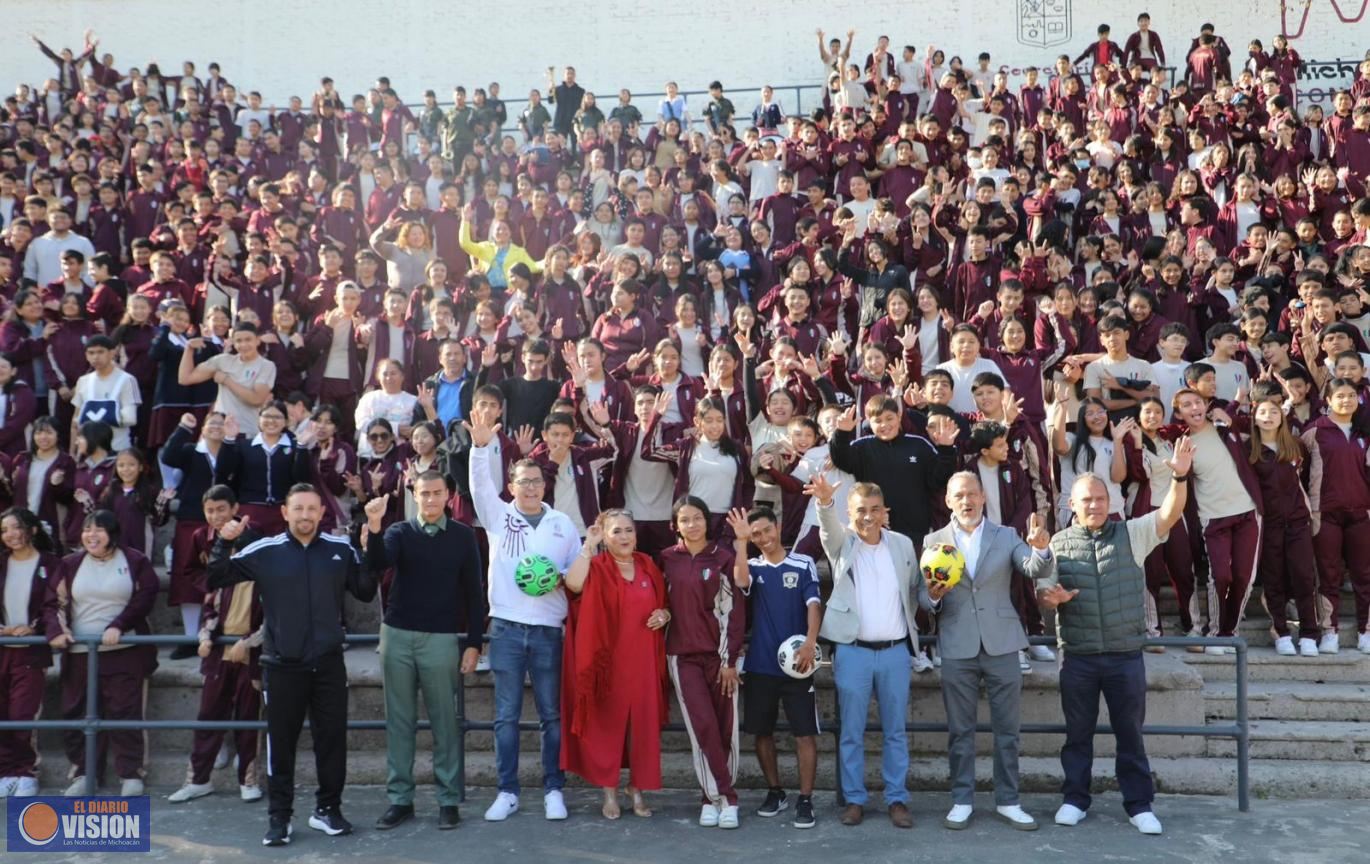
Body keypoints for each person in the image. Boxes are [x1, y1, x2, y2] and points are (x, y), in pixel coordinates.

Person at [1036, 436, 1196, 836]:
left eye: (1100, 499)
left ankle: (1139, 805)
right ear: (1071, 505)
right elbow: (1044, 594)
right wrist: (1052, 599)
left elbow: (1170, 514)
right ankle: (1075, 799)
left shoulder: (1131, 534)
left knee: (1130, 735)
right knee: (1077, 736)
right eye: (1086, 500)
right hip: (1078, 656)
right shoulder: (1058, 543)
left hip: (1125, 655)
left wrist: (1179, 478)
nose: (1094, 505)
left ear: (1110, 502)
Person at [208, 483, 377, 847]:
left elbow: (365, 591)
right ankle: (280, 818)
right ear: (285, 512)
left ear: (322, 513)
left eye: (312, 509)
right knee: (281, 747)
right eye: (298, 508)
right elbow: (216, 577)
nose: (305, 515)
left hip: (329, 665)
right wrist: (224, 541)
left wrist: (369, 549)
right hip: (282, 666)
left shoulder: (339, 549)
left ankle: (328, 810)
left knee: (332, 742)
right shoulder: (265, 550)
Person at [465, 411, 580, 823]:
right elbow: (479, 486)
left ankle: (554, 789)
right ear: (511, 486)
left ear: (545, 485)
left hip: (549, 630)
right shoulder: (498, 517)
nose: (530, 487)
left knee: (552, 715)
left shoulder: (563, 524)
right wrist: (480, 448)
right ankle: (507, 791)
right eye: (522, 482)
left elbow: (577, 573)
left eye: (536, 481)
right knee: (506, 716)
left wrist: (562, 579)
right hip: (507, 629)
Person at [921, 472, 1053, 830]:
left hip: (1003, 643)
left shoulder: (1006, 535)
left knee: (1007, 730)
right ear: (948, 501)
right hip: (957, 643)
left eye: (972, 494)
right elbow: (923, 596)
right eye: (959, 495)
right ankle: (962, 800)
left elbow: (1033, 567)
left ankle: (1008, 801)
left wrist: (1041, 548)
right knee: (960, 731)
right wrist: (933, 596)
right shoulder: (933, 541)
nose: (966, 501)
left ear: (982, 497)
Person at [365, 473, 486, 831]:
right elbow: (377, 563)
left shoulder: (463, 536)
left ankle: (448, 800)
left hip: (441, 637)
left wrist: (474, 643)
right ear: (414, 496)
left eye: (437, 493)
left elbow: (474, 592)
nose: (431, 499)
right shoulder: (399, 532)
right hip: (397, 634)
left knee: (445, 722)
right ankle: (400, 799)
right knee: (399, 721)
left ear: (448, 495)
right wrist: (374, 525)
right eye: (424, 493)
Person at [805, 472, 921, 829]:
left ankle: (896, 799)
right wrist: (825, 502)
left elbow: (914, 589)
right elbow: (828, 529)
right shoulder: (843, 543)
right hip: (853, 652)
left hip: (895, 652)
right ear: (849, 513)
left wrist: (935, 595)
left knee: (896, 731)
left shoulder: (903, 544)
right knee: (851, 732)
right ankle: (854, 800)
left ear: (885, 511)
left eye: (874, 509)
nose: (867, 516)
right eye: (860, 510)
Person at [561, 509, 669, 820]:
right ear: (605, 537)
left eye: (628, 530)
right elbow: (573, 585)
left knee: (643, 727)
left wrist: (664, 614)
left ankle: (637, 788)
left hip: (644, 660)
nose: (624, 536)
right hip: (608, 663)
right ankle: (609, 791)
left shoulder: (648, 565)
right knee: (608, 725)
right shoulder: (596, 566)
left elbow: (664, 604)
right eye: (616, 531)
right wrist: (588, 545)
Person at [44, 509, 160, 797]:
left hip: (123, 650)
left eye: (98, 529)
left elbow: (146, 595)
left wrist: (119, 624)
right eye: (87, 529)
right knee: (77, 712)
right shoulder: (70, 564)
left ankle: (130, 773)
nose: (91, 535)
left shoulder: (134, 560)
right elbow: (53, 602)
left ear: (112, 533)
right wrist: (56, 630)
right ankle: (85, 772)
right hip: (81, 651)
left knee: (124, 711)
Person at [166, 485, 263, 804]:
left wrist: (251, 641)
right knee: (208, 714)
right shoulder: (201, 540)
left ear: (235, 509)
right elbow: (195, 576)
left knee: (249, 718)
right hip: (219, 644)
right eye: (210, 510)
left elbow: (273, 610)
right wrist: (206, 634)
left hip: (250, 647)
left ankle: (248, 779)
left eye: (222, 509)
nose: (216, 516)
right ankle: (198, 779)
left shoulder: (255, 541)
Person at [728, 506, 821, 829]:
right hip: (761, 665)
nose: (764, 538)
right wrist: (741, 542)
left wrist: (810, 641)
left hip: (799, 665)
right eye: (756, 534)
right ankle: (775, 791)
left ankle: (805, 799)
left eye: (767, 530)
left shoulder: (803, 563)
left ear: (778, 527)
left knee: (804, 734)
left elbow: (814, 603)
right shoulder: (752, 566)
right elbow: (740, 581)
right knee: (762, 732)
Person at [660, 495, 747, 829]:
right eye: (684, 519)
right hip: (682, 657)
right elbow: (659, 602)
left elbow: (732, 611)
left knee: (725, 729)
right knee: (702, 727)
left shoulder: (723, 558)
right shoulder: (667, 559)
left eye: (697, 517)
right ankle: (726, 797)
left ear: (707, 521)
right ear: (675, 525)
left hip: (720, 659)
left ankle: (710, 799)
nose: (692, 524)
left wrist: (728, 660)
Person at [0, 508, 60, 798]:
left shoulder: (50, 564)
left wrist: (34, 629)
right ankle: (5, 771)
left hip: (31, 652)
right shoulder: (1, 563)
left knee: (22, 713)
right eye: (4, 530)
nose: (9, 535)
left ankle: (25, 771)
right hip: (2, 648)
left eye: (15, 527)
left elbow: (54, 605)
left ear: (32, 529)